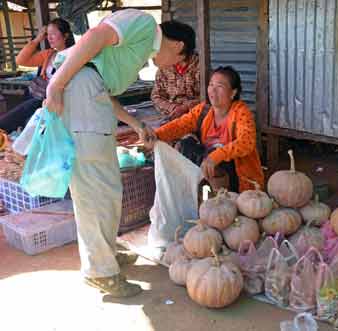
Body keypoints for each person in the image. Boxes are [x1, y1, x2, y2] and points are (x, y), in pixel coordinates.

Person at [44, 10, 195, 297]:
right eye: (179, 60)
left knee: (107, 186)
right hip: (78, 91)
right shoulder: (145, 24)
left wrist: (136, 123)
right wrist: (57, 84)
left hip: (88, 93)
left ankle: (106, 252)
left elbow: (100, 86)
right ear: (178, 46)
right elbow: (95, 36)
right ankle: (100, 271)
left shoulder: (139, 47)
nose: (172, 66)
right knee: (93, 188)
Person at [153, 66, 265, 193]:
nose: (213, 90)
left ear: (233, 93)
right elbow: (180, 125)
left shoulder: (241, 112)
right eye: (211, 85)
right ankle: (200, 193)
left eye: (220, 86)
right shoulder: (203, 111)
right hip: (209, 172)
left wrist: (216, 156)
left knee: (214, 152)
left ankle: (217, 196)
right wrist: (155, 135)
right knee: (185, 144)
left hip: (238, 180)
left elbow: (246, 142)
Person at [0, 18, 75, 132]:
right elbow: (20, 60)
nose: (49, 38)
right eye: (48, 34)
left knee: (20, 114)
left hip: (54, 100)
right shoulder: (49, 54)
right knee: (22, 112)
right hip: (38, 98)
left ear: (65, 36)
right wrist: (38, 39)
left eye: (53, 34)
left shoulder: (74, 55)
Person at [150, 23, 200, 121]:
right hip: (171, 118)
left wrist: (185, 108)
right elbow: (156, 96)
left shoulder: (201, 66)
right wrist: (172, 108)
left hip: (196, 119)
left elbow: (209, 98)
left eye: (160, 44)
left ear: (179, 46)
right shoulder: (164, 68)